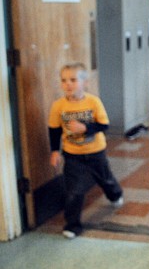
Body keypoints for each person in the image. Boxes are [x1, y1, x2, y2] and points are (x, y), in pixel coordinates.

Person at [48, 62, 123, 239]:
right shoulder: (58, 106)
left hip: (96, 152)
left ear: (85, 83)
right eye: (64, 80)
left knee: (105, 179)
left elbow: (104, 125)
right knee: (74, 190)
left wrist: (85, 128)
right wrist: (55, 151)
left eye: (73, 80)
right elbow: (54, 130)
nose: (68, 84)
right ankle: (73, 225)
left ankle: (115, 194)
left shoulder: (93, 102)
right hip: (72, 154)